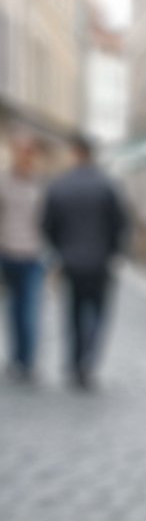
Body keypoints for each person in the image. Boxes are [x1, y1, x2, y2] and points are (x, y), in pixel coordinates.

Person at [42, 135, 128, 387]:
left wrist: (61, 249)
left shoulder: (60, 185)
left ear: (74, 153)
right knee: (99, 313)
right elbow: (119, 223)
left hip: (70, 261)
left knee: (73, 313)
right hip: (100, 261)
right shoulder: (107, 185)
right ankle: (88, 361)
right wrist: (112, 251)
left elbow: (47, 224)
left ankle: (75, 361)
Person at [0, 133, 47, 382]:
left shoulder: (40, 185)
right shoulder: (3, 182)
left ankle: (27, 361)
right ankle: (16, 358)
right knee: (12, 310)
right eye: (19, 150)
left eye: (28, 151)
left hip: (33, 256)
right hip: (7, 253)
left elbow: (49, 222)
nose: (24, 155)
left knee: (29, 310)